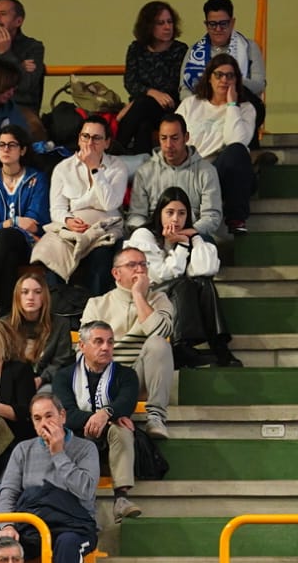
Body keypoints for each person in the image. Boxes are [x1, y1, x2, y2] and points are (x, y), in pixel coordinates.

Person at [0, 395, 102, 563]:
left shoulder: (85, 448)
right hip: (33, 523)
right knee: (2, 548)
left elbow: (86, 490)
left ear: (62, 416)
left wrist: (58, 453)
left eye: (49, 416)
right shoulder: (23, 449)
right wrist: (7, 526)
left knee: (68, 543)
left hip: (74, 525)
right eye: (37, 418)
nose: (44, 423)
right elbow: (8, 490)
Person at [129, 187, 236, 368]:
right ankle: (181, 347)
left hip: (178, 296)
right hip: (148, 296)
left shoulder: (188, 236)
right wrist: (182, 248)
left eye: (181, 213)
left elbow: (206, 269)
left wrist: (193, 238)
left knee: (203, 283)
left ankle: (220, 347)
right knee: (183, 284)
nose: (175, 219)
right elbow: (161, 275)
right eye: (169, 213)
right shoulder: (144, 235)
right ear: (159, 213)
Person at [80, 247, 174, 440]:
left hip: (141, 377)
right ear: (116, 273)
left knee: (158, 343)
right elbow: (83, 350)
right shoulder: (97, 304)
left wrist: (138, 295)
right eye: (132, 265)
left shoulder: (159, 298)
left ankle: (156, 417)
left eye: (143, 265)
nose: (139, 270)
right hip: (108, 379)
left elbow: (161, 332)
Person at [56, 322, 143, 525]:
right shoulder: (64, 376)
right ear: (82, 345)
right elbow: (66, 414)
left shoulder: (126, 374)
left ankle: (121, 497)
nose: (105, 347)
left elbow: (126, 402)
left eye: (110, 342)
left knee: (122, 429)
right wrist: (100, 416)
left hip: (110, 439)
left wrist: (108, 413)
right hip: (77, 438)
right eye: (98, 342)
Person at [32, 117, 127, 296]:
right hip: (72, 230)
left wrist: (94, 169)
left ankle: (93, 313)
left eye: (97, 138)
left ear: (107, 143)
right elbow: (57, 209)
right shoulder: (63, 168)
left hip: (104, 230)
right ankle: (60, 310)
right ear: (78, 139)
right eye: (85, 136)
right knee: (50, 254)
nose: (90, 143)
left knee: (101, 259)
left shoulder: (117, 167)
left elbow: (110, 203)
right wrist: (68, 220)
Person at [178, 56, 259, 235]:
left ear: (236, 80)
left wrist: (231, 104)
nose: (224, 80)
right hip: (191, 169)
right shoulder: (190, 104)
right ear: (209, 77)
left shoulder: (245, 109)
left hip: (220, 170)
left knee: (236, 151)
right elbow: (174, 135)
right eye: (219, 75)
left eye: (230, 76)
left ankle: (236, 219)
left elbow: (235, 140)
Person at [0, 126, 49, 313]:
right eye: (1, 145)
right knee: (8, 254)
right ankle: (8, 314)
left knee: (7, 237)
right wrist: (12, 223)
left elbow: (33, 223)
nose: (6, 149)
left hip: (31, 245)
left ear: (23, 150)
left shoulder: (37, 179)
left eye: (12, 145)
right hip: (2, 247)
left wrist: (0, 230)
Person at [126, 115, 222, 240]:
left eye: (174, 138)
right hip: (154, 235)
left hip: (192, 234)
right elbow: (136, 215)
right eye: (163, 138)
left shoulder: (207, 171)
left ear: (186, 137)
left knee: (206, 240)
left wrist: (188, 232)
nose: (168, 145)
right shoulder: (145, 172)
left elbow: (211, 215)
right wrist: (152, 233)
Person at [114, 2, 192, 155]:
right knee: (143, 125)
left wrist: (139, 100)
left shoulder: (180, 50)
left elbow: (172, 85)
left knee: (143, 104)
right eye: (161, 23)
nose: (167, 27)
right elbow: (130, 82)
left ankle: (113, 152)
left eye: (170, 22)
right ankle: (141, 168)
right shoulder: (136, 48)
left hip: (168, 107)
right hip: (142, 107)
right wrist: (151, 92)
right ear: (148, 26)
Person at [180, 0, 267, 120]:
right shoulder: (194, 51)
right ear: (206, 24)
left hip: (241, 108)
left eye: (223, 24)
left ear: (232, 22)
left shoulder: (249, 47)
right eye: (212, 24)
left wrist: (228, 81)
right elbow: (184, 89)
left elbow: (259, 84)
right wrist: (204, 106)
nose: (218, 29)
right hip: (203, 112)